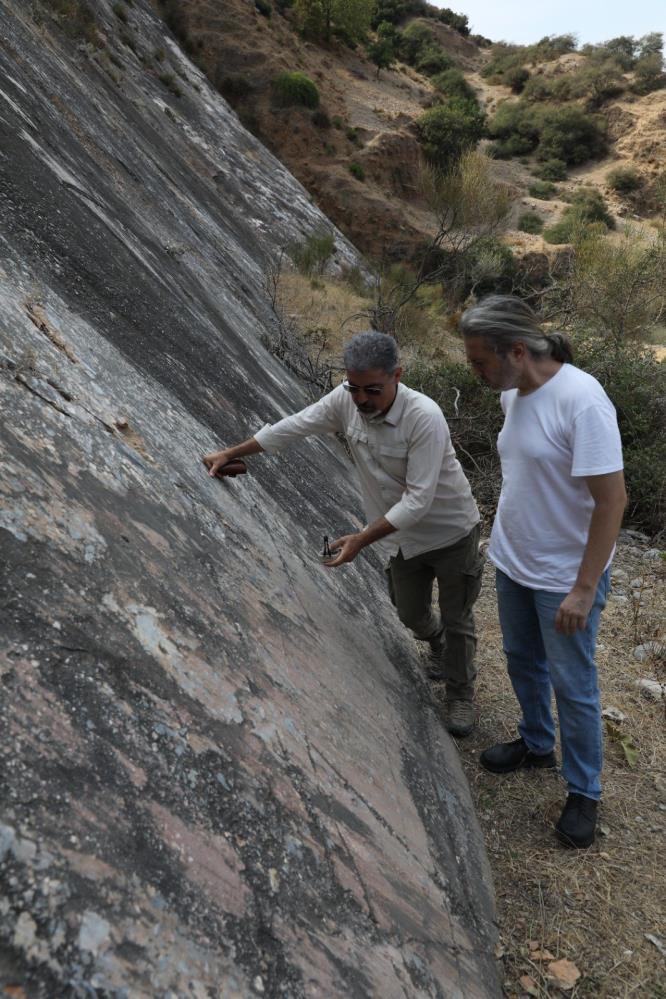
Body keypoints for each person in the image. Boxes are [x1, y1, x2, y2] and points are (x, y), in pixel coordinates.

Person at [203, 331, 483, 736]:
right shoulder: (345, 401)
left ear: (397, 376)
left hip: (450, 530)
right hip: (399, 538)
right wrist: (232, 452)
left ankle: (460, 693)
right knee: (408, 611)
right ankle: (435, 640)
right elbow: (294, 427)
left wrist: (360, 539)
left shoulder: (424, 416)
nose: (362, 398)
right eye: (354, 388)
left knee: (459, 618)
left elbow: (419, 500)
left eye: (373, 389)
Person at [460, 295, 627, 848]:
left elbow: (611, 501)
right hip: (515, 559)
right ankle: (536, 742)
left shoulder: (582, 401)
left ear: (516, 350)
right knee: (520, 660)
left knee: (572, 683)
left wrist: (583, 588)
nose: (477, 373)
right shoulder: (513, 392)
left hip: (564, 575)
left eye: (481, 362)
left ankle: (585, 791)